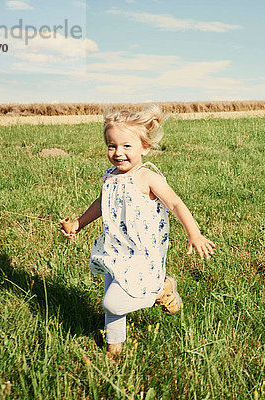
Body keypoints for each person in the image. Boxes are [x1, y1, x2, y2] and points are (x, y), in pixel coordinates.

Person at [61, 105, 215, 356]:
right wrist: (79, 223)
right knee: (111, 299)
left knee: (113, 301)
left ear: (145, 147)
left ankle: (161, 289)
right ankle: (114, 348)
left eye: (126, 146)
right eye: (112, 146)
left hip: (142, 254)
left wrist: (194, 233)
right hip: (114, 248)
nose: (118, 153)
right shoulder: (109, 176)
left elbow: (175, 203)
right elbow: (102, 202)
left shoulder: (147, 178)